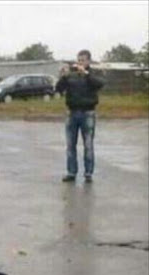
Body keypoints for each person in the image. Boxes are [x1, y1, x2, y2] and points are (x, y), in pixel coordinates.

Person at [55, 50, 105, 183]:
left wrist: (86, 74)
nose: (80, 63)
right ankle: (71, 172)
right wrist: (63, 77)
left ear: (88, 61)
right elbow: (59, 89)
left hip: (88, 113)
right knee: (70, 145)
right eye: (79, 60)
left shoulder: (93, 74)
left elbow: (99, 84)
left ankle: (88, 173)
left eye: (83, 60)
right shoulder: (71, 75)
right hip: (72, 113)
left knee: (88, 144)